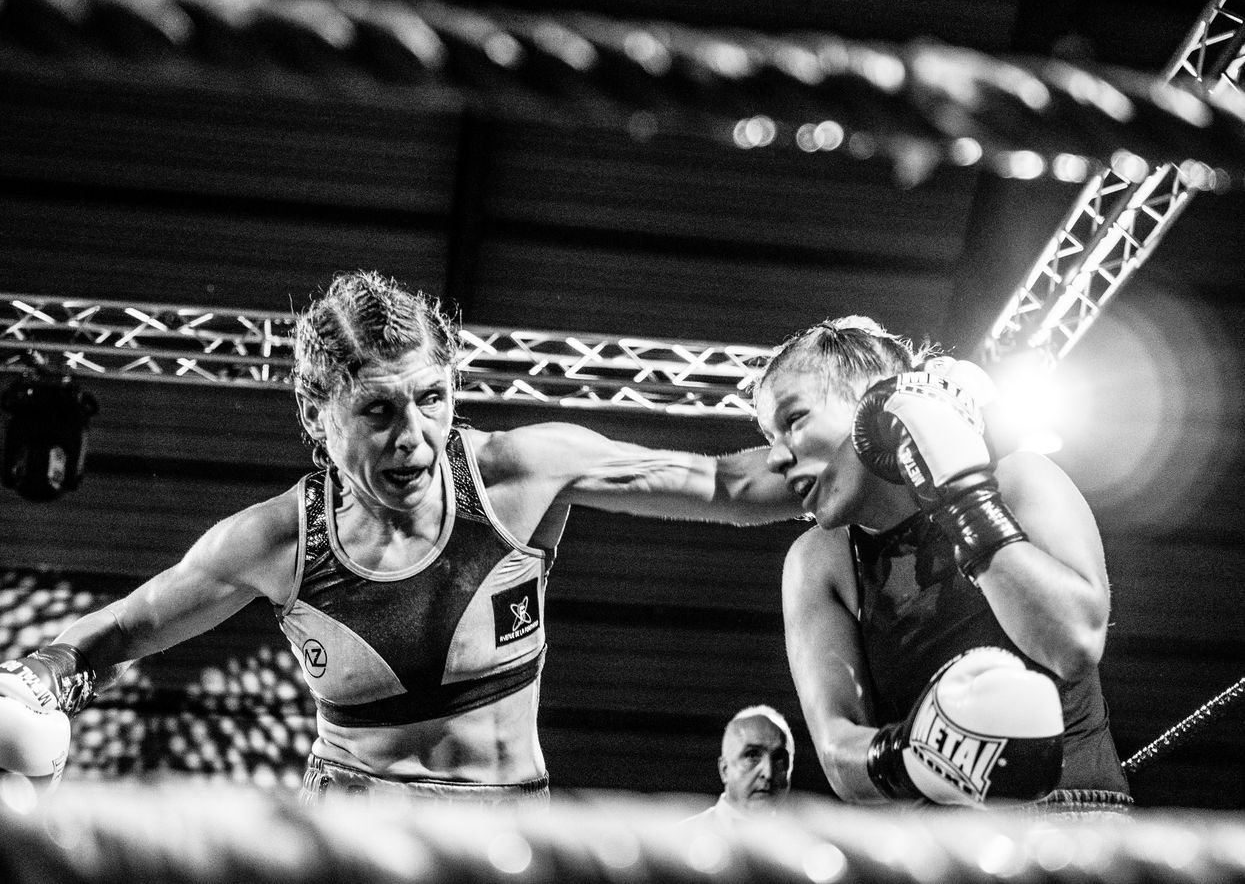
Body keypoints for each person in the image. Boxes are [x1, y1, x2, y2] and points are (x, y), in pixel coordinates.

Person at [0, 270, 802, 809]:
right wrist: (40, 677)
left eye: (431, 399)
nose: (413, 437)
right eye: (378, 410)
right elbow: (124, 628)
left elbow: (727, 487)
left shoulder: (518, 473)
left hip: (505, 833)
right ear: (317, 413)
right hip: (353, 841)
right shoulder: (278, 539)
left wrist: (857, 441)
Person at [752, 315, 1131, 814]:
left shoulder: (1018, 479)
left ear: (872, 401)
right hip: (937, 838)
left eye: (794, 419)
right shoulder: (820, 560)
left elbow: (1075, 641)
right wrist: (923, 754)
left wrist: (962, 499)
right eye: (769, 436)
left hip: (1074, 821)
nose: (775, 458)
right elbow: (837, 750)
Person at [682, 705, 793, 830]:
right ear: (724, 770)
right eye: (752, 755)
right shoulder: (681, 835)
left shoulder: (803, 838)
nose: (768, 773)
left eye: (779, 758)